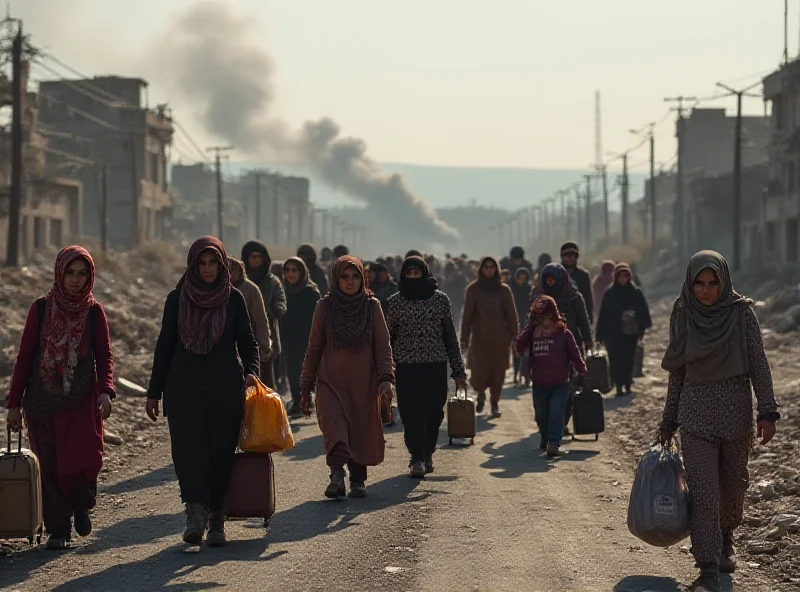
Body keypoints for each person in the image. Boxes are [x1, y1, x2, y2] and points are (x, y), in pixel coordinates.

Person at [658, 251, 780, 592]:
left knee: (732, 486)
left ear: (723, 282)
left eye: (713, 283)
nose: (706, 291)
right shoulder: (684, 314)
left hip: (736, 415)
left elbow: (759, 363)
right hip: (695, 416)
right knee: (704, 493)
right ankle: (708, 567)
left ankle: (727, 536)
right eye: (699, 283)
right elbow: (677, 373)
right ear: (690, 283)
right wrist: (669, 420)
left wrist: (767, 412)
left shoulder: (742, 315)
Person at [146, 237, 259, 547]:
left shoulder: (233, 299)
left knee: (221, 455)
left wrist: (252, 372)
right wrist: (153, 392)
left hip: (225, 389)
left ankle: (217, 517)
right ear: (193, 265)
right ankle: (195, 515)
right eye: (202, 263)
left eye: (213, 263)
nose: (208, 269)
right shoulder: (176, 299)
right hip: (183, 389)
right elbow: (164, 347)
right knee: (187, 454)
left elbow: (248, 343)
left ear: (223, 265)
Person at [6, 246, 114, 550]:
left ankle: (80, 506)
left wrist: (106, 391)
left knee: (82, 460)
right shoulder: (40, 309)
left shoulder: (94, 312)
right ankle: (57, 528)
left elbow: (104, 356)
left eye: (82, 274)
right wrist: (13, 404)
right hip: (42, 402)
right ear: (59, 272)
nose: (75, 280)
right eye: (70, 273)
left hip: (81, 400)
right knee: (50, 466)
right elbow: (25, 357)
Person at [299, 256, 395, 499]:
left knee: (359, 431)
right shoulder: (324, 307)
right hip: (330, 383)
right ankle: (336, 474)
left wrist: (386, 378)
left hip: (363, 384)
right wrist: (305, 386)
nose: (350, 282)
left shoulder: (372, 307)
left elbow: (382, 346)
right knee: (334, 427)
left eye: (355, 277)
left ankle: (357, 478)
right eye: (344, 277)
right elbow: (314, 348)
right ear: (335, 278)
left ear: (363, 278)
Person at [385, 256, 467, 478]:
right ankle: (417, 457)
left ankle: (428, 452)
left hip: (435, 366)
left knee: (433, 414)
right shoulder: (394, 302)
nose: (413, 277)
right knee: (411, 415)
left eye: (417, 273)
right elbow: (388, 339)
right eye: (409, 273)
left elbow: (450, 337)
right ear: (403, 275)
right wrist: (382, 370)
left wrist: (458, 370)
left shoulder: (440, 300)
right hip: (407, 367)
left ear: (425, 273)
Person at [516, 295, 586, 457]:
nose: (546, 321)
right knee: (541, 414)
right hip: (539, 382)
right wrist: (530, 327)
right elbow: (519, 345)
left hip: (560, 382)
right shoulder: (533, 332)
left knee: (556, 413)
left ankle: (554, 443)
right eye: (541, 317)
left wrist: (581, 368)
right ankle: (544, 437)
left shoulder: (563, 333)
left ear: (554, 315)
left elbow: (574, 353)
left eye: (548, 316)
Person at [533, 263, 593, 435]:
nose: (551, 283)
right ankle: (545, 424)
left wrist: (588, 341)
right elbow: (530, 323)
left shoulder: (574, 298)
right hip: (544, 350)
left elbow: (583, 321)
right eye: (548, 280)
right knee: (543, 389)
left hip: (569, 348)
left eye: (554, 279)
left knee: (567, 387)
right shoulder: (539, 299)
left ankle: (561, 423)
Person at [460, 256, 519, 418]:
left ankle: (494, 405)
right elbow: (467, 316)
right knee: (478, 374)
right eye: (486, 267)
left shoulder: (504, 290)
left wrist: (516, 337)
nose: (489, 270)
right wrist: (464, 338)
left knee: (498, 375)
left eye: (492, 267)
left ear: (496, 269)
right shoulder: (473, 290)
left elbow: (512, 316)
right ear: (481, 269)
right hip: (480, 339)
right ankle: (480, 394)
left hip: (500, 340)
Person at [596, 263, 652, 396]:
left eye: (625, 276)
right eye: (620, 276)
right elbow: (603, 314)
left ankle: (627, 384)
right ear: (616, 277)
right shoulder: (610, 293)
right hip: (613, 333)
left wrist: (641, 328)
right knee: (615, 360)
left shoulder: (635, 292)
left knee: (628, 359)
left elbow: (643, 311)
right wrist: (600, 335)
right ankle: (618, 385)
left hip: (629, 333)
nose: (623, 278)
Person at [241, 241, 286, 390]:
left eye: (260, 256)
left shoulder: (272, 281)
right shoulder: (240, 281)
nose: (256, 260)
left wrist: (271, 312)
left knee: (266, 380)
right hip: (242, 332)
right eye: (253, 256)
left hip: (266, 334)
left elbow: (281, 301)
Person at [280, 256, 321, 418]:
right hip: (289, 339)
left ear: (302, 272)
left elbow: (318, 319)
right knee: (292, 372)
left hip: (308, 340)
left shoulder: (311, 292)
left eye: (294, 270)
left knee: (307, 373)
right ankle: (298, 402)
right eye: (287, 270)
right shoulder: (282, 291)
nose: (290, 274)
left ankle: (306, 401)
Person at [230, 257, 273, 376]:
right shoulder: (218, 290)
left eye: (233, 269)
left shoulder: (250, 290)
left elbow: (260, 320)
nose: (229, 273)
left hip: (247, 344)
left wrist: (264, 345)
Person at [509, 267, 533, 387]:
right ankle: (516, 373)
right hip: (514, 322)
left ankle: (527, 376)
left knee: (527, 351)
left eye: (524, 278)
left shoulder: (529, 289)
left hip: (527, 322)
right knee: (516, 350)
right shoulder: (511, 290)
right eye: (520, 278)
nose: (522, 280)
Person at [560, 242, 594, 323]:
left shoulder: (583, 275)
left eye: (573, 255)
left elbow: (588, 298)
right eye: (567, 255)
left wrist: (589, 319)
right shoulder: (556, 273)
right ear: (562, 257)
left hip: (578, 319)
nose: (570, 258)